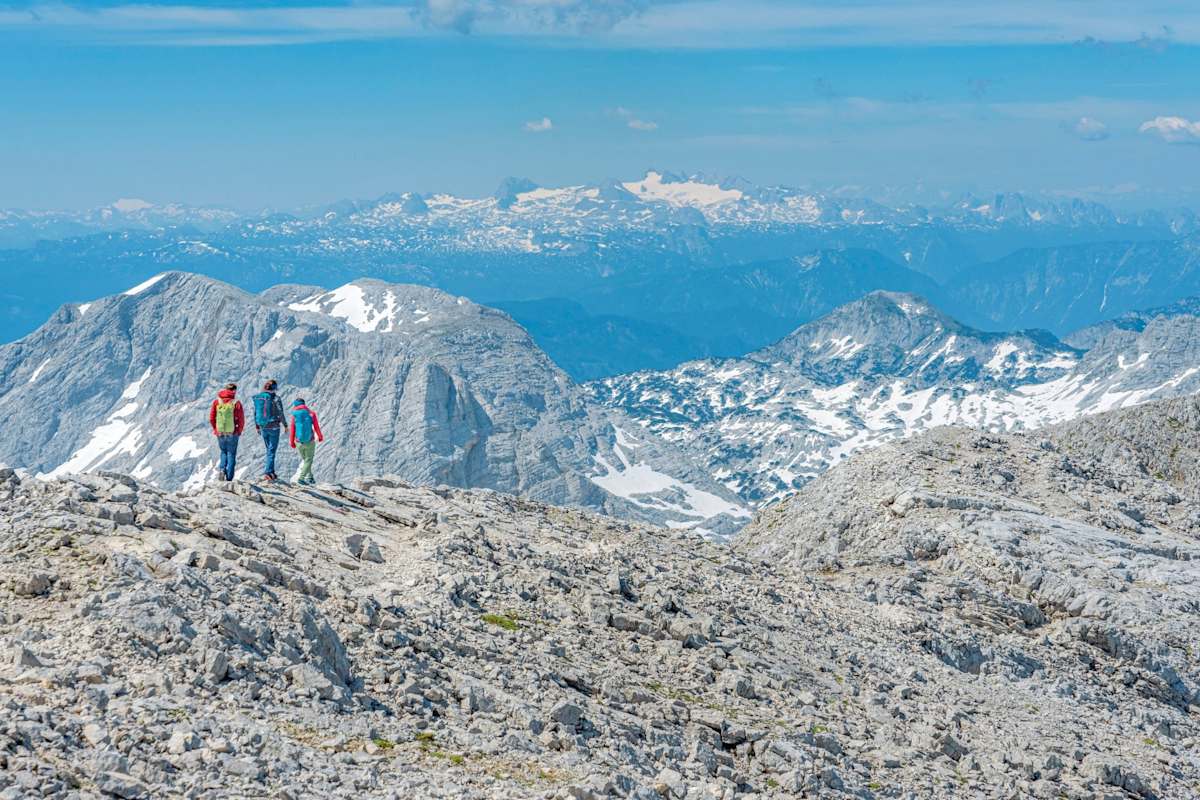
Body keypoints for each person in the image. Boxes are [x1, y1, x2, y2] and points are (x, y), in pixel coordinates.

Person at [209, 383, 244, 481]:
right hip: (232, 432)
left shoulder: (217, 402)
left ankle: (222, 470)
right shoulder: (236, 402)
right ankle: (229, 478)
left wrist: (216, 429)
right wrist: (238, 431)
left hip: (220, 432)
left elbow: (212, 418)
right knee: (231, 454)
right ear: (234, 391)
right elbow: (241, 420)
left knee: (223, 451)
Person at [252, 379, 286, 481]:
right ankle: (268, 472)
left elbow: (256, 413)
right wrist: (285, 425)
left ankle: (271, 472)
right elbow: (280, 412)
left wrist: (257, 426)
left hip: (263, 426)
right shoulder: (275, 398)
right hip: (274, 426)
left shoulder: (259, 398)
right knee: (272, 450)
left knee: (269, 450)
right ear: (274, 388)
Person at [288, 398, 324, 486]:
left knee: (306, 460)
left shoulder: (294, 415)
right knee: (308, 460)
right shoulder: (311, 414)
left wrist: (291, 442)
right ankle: (301, 478)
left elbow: (292, 429)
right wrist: (320, 436)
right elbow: (316, 427)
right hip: (310, 441)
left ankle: (310, 477)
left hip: (299, 442)